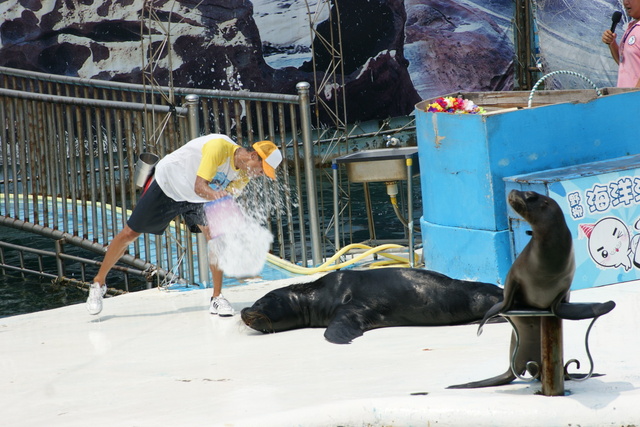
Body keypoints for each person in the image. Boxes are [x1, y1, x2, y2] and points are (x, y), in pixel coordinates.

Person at [86, 134, 283, 316]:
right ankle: (98, 283)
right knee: (130, 233)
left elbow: (225, 199)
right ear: (254, 156)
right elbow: (200, 186)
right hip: (170, 185)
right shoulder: (219, 148)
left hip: (197, 198)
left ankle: (217, 298)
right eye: (262, 169)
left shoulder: (244, 174)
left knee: (217, 237)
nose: (260, 175)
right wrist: (217, 197)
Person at [602, 0, 640, 88]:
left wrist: (633, 98)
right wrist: (611, 43)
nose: (626, 2)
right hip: (625, 96)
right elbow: (624, 62)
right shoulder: (632, 26)